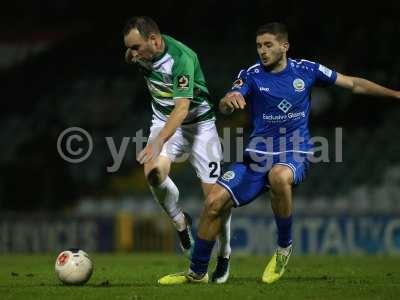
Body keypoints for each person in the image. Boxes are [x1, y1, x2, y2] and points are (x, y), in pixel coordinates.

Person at [158, 22, 400, 285]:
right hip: (257, 156)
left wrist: (395, 93)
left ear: (284, 46)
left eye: (268, 45)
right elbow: (228, 101)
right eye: (259, 45)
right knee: (214, 201)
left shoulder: (307, 69)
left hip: (294, 152)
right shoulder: (250, 74)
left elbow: (353, 84)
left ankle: (284, 247)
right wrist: (228, 102)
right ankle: (198, 272)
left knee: (279, 176)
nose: (262, 51)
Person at [123, 16, 232, 283]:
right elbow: (132, 56)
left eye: (135, 47)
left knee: (216, 200)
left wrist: (158, 141)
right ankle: (181, 223)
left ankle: (224, 255)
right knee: (153, 174)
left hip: (199, 125)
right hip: (162, 119)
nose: (132, 53)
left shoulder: (182, 58)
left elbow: (182, 109)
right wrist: (132, 55)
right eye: (129, 47)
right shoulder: (140, 53)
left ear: (154, 40)